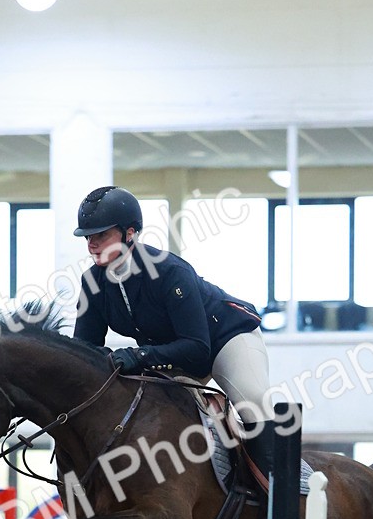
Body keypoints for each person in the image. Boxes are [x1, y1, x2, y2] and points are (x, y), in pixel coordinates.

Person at [72, 185, 275, 482]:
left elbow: (197, 348)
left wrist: (137, 355)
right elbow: (85, 350)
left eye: (101, 235)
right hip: (172, 354)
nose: (92, 244)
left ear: (130, 233)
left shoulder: (170, 271)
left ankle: (285, 507)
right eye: (88, 237)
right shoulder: (93, 282)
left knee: (254, 400)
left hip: (223, 340)